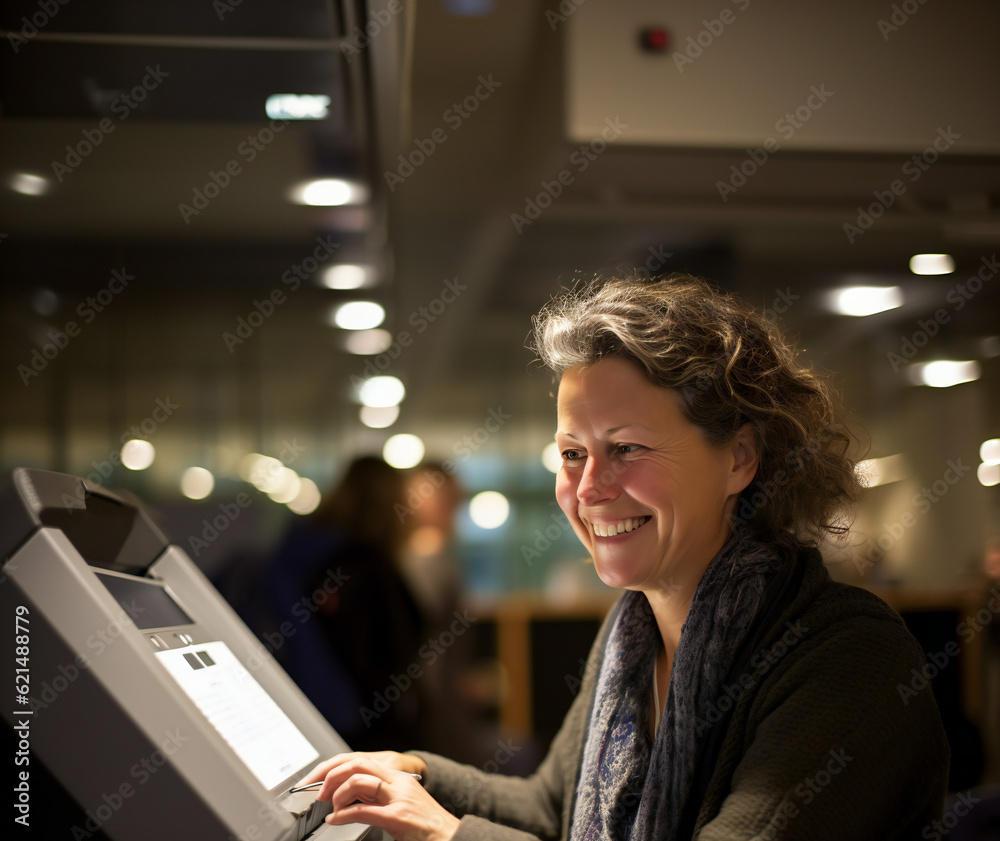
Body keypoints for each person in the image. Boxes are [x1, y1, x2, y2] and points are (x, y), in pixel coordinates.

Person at [296, 274, 950, 840]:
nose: (588, 489)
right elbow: (551, 805)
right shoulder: (633, 631)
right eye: (572, 453)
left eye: (627, 448)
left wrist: (450, 832)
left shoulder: (849, 657)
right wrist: (412, 773)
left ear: (739, 458)